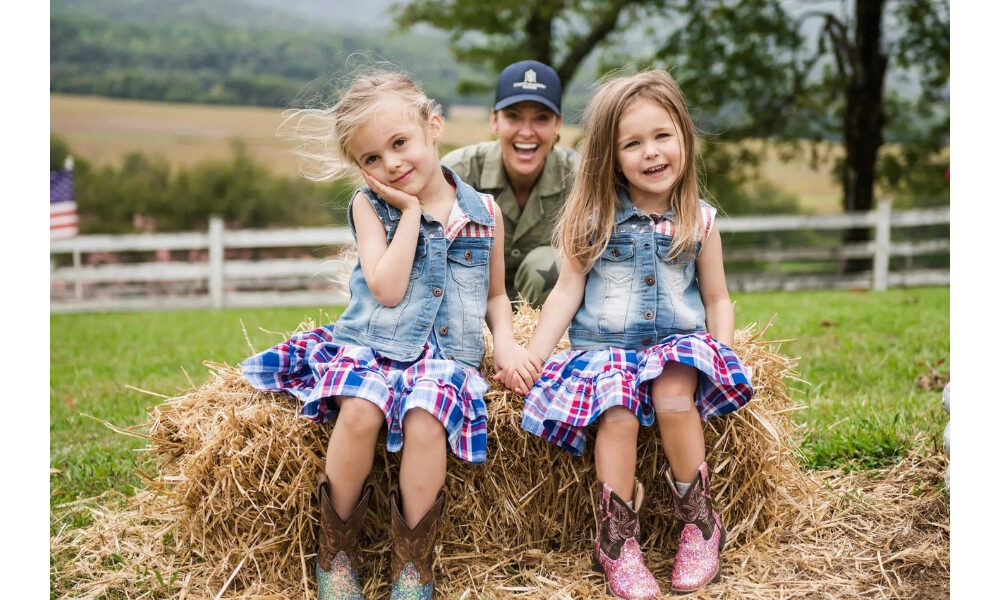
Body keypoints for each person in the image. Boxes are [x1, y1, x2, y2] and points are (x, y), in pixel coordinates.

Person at [241, 69, 540, 600]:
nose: (391, 164)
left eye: (400, 144)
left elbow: (496, 295)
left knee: (427, 418)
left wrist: (507, 343)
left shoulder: (484, 213)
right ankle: (336, 554)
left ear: (433, 127)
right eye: (372, 158)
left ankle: (412, 567)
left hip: (446, 357)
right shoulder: (369, 206)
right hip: (374, 346)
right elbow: (386, 287)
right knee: (361, 409)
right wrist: (410, 214)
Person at [501, 69, 754, 598]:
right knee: (616, 410)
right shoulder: (593, 218)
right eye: (632, 143)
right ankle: (617, 540)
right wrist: (533, 356)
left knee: (673, 392)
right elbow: (566, 291)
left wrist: (723, 353)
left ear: (684, 138)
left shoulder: (700, 221)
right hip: (606, 348)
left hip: (675, 345)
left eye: (662, 136)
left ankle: (699, 522)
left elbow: (716, 298)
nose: (651, 152)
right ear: (611, 157)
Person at [442, 60, 579, 308]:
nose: (526, 132)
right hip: (468, 307)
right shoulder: (458, 174)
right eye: (513, 117)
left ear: (557, 124)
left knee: (549, 264)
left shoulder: (580, 179)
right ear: (494, 120)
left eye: (541, 118)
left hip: (551, 312)